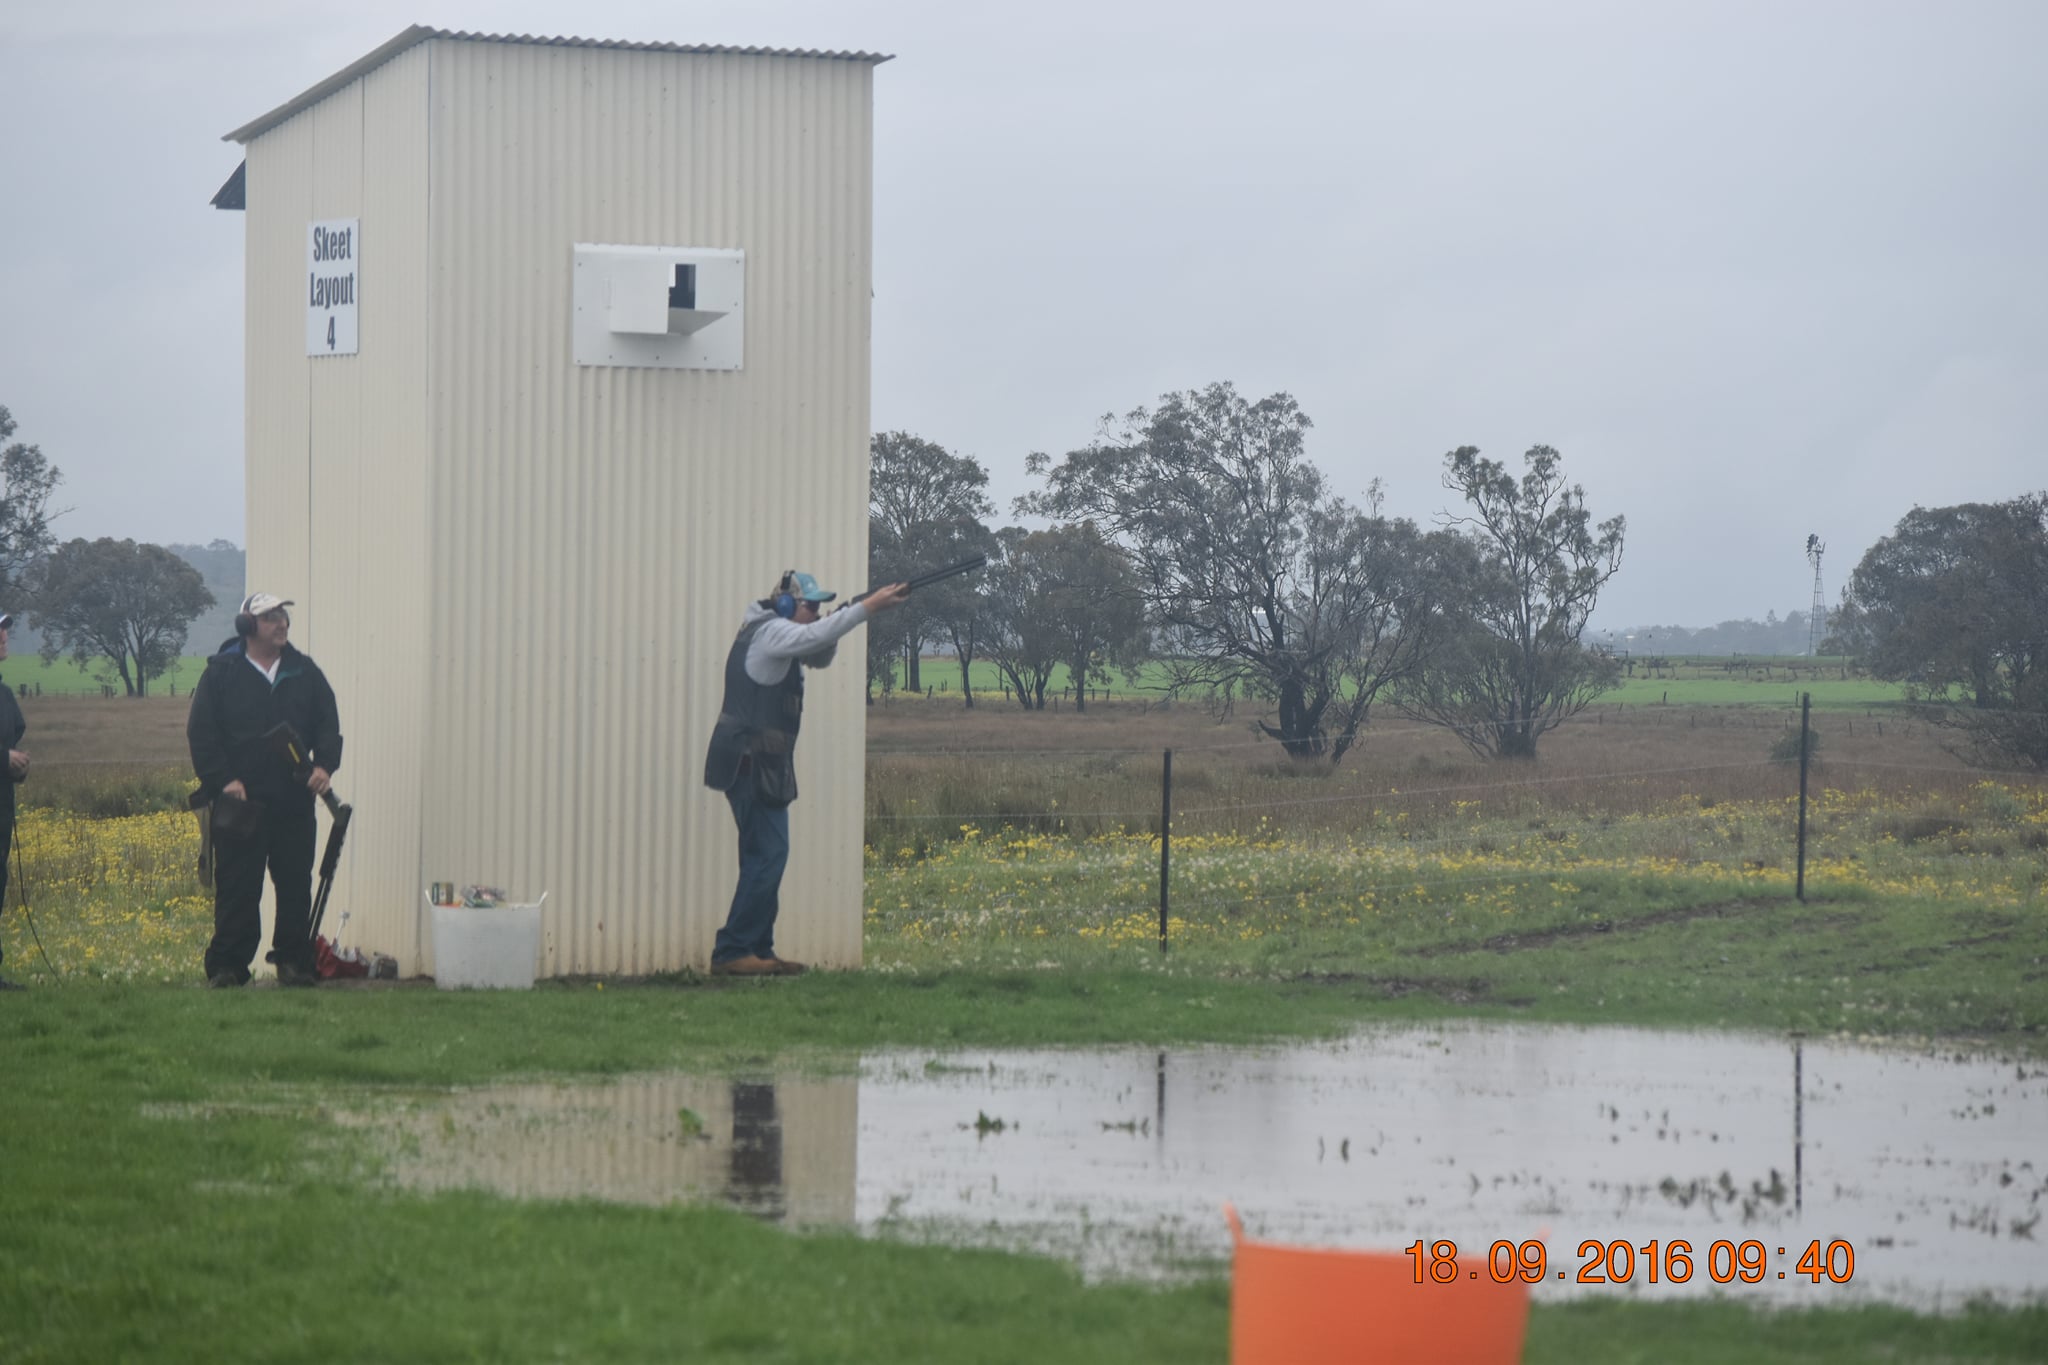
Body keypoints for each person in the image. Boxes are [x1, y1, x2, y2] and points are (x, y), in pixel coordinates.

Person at [702, 570, 909, 976]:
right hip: (751, 760)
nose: (815, 613)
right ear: (784, 604)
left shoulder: (775, 633)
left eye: (818, 607)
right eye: (809, 605)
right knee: (770, 856)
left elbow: (820, 652)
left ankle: (757, 949)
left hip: (759, 762)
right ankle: (734, 950)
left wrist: (845, 613)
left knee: (762, 857)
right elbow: (813, 639)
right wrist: (865, 608)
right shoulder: (772, 632)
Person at [187, 593, 344, 988]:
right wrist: (223, 780)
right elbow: (202, 733)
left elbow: (328, 723)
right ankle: (227, 967)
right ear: (247, 625)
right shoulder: (221, 673)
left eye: (283, 616)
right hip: (241, 805)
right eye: (271, 617)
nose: (281, 624)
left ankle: (293, 964)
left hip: (293, 802)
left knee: (294, 884)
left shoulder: (304, 672)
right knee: (238, 886)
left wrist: (324, 766)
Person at [0, 612, 28, 990]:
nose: (4, 636)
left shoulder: (4, 694)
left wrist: (18, 764)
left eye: (4, 630)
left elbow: (14, 738)